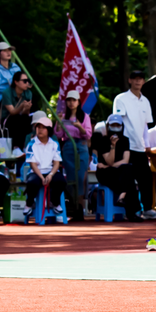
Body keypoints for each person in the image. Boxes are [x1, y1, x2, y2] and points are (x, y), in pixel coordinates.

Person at [113, 70, 156, 219]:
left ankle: (148, 209)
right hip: (126, 146)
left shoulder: (145, 101)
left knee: (146, 178)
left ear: (143, 81)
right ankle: (132, 211)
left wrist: (146, 144)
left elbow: (145, 125)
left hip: (140, 146)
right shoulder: (121, 99)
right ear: (129, 80)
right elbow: (118, 121)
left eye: (140, 79)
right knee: (128, 178)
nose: (138, 82)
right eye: (135, 79)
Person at [95, 114, 143, 222]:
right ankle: (131, 211)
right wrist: (113, 146)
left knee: (127, 169)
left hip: (120, 171)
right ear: (108, 126)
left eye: (118, 125)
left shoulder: (125, 140)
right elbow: (110, 161)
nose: (115, 127)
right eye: (113, 125)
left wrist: (110, 165)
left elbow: (125, 161)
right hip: (105, 173)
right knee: (128, 177)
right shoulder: (103, 141)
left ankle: (122, 197)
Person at [54, 90, 92, 221]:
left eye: (73, 100)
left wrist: (79, 126)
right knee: (70, 178)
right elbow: (58, 135)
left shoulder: (84, 116)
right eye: (69, 100)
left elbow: (87, 134)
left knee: (80, 177)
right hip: (68, 146)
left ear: (78, 102)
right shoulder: (63, 117)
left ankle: (80, 207)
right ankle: (74, 208)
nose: (71, 103)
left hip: (81, 146)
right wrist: (58, 123)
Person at [24, 117, 66, 216]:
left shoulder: (54, 144)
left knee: (61, 181)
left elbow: (56, 163)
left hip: (51, 171)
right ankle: (29, 204)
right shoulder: (31, 144)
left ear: (49, 130)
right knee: (32, 182)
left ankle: (55, 202)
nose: (40, 130)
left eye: (43, 127)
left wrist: (51, 175)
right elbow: (32, 164)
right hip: (36, 172)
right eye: (38, 127)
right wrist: (42, 177)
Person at [1, 71, 33, 152]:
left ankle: (24, 147)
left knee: (28, 119)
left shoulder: (28, 93)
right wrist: (22, 106)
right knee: (17, 119)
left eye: (28, 81)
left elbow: (26, 113)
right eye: (24, 81)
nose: (27, 83)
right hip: (7, 120)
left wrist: (27, 108)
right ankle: (16, 148)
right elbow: (12, 112)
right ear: (16, 82)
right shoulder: (7, 92)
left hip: (22, 118)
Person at [0, 42, 21, 109]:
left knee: (30, 98)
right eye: (5, 50)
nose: (8, 52)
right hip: (0, 99)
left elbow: (21, 82)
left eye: (9, 50)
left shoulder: (15, 67)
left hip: (15, 96)